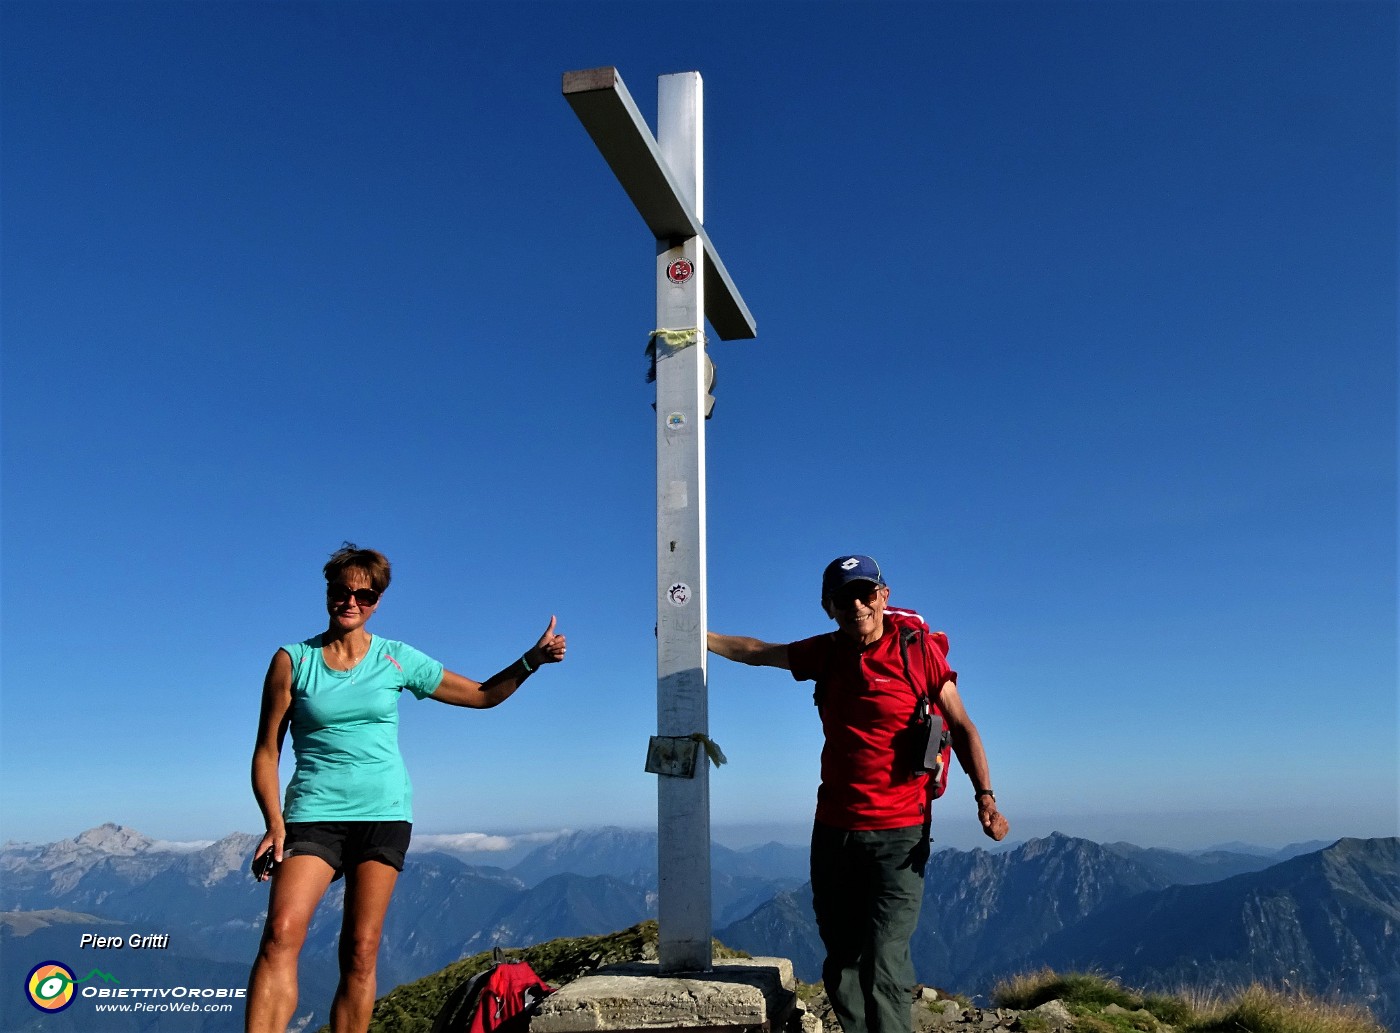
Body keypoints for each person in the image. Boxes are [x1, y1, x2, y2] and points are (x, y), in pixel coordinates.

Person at [245, 543, 566, 1033]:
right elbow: (267, 751)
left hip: (383, 814)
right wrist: (273, 821)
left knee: (361, 949)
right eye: (341, 591)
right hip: (312, 813)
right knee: (281, 934)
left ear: (377, 600)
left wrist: (532, 660)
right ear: (327, 592)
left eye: (364, 594)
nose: (351, 601)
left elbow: (481, 696)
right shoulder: (293, 661)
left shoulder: (396, 659)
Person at [707, 554, 1008, 1033]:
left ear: (883, 597)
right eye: (843, 598)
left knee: (886, 965)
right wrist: (693, 636)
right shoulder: (824, 653)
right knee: (842, 958)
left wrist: (985, 798)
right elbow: (755, 650)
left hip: (901, 835)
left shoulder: (919, 651)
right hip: (834, 831)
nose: (857, 605)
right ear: (829, 607)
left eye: (865, 593)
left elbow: (963, 726)